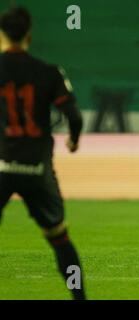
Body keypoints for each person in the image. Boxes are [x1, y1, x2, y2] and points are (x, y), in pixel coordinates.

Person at [0, 6, 85, 299]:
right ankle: (79, 297)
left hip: (1, 164)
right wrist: (73, 140)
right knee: (59, 238)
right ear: (29, 36)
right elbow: (73, 115)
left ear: (1, 34)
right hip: (36, 168)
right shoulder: (47, 72)